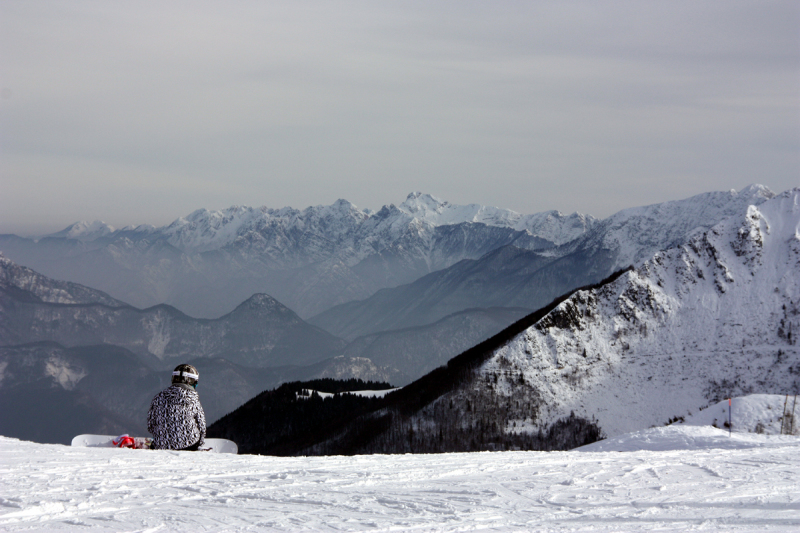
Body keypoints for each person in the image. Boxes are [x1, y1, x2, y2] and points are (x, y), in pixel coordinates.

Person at [147, 364, 206, 451]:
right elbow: (201, 426)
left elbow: (150, 425)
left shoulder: (158, 397)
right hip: (189, 445)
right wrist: (200, 443)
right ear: (192, 382)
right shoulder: (193, 400)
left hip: (161, 445)